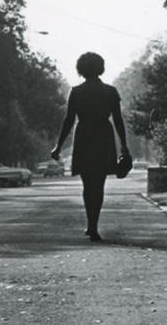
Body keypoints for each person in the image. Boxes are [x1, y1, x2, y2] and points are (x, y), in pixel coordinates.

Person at [50, 52, 130, 241]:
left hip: (84, 134)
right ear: (100, 68)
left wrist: (58, 146)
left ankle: (90, 223)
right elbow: (118, 120)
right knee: (99, 183)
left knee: (88, 183)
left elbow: (68, 120)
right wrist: (124, 146)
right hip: (103, 135)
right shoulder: (111, 92)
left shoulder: (76, 92)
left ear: (81, 69)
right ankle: (94, 223)